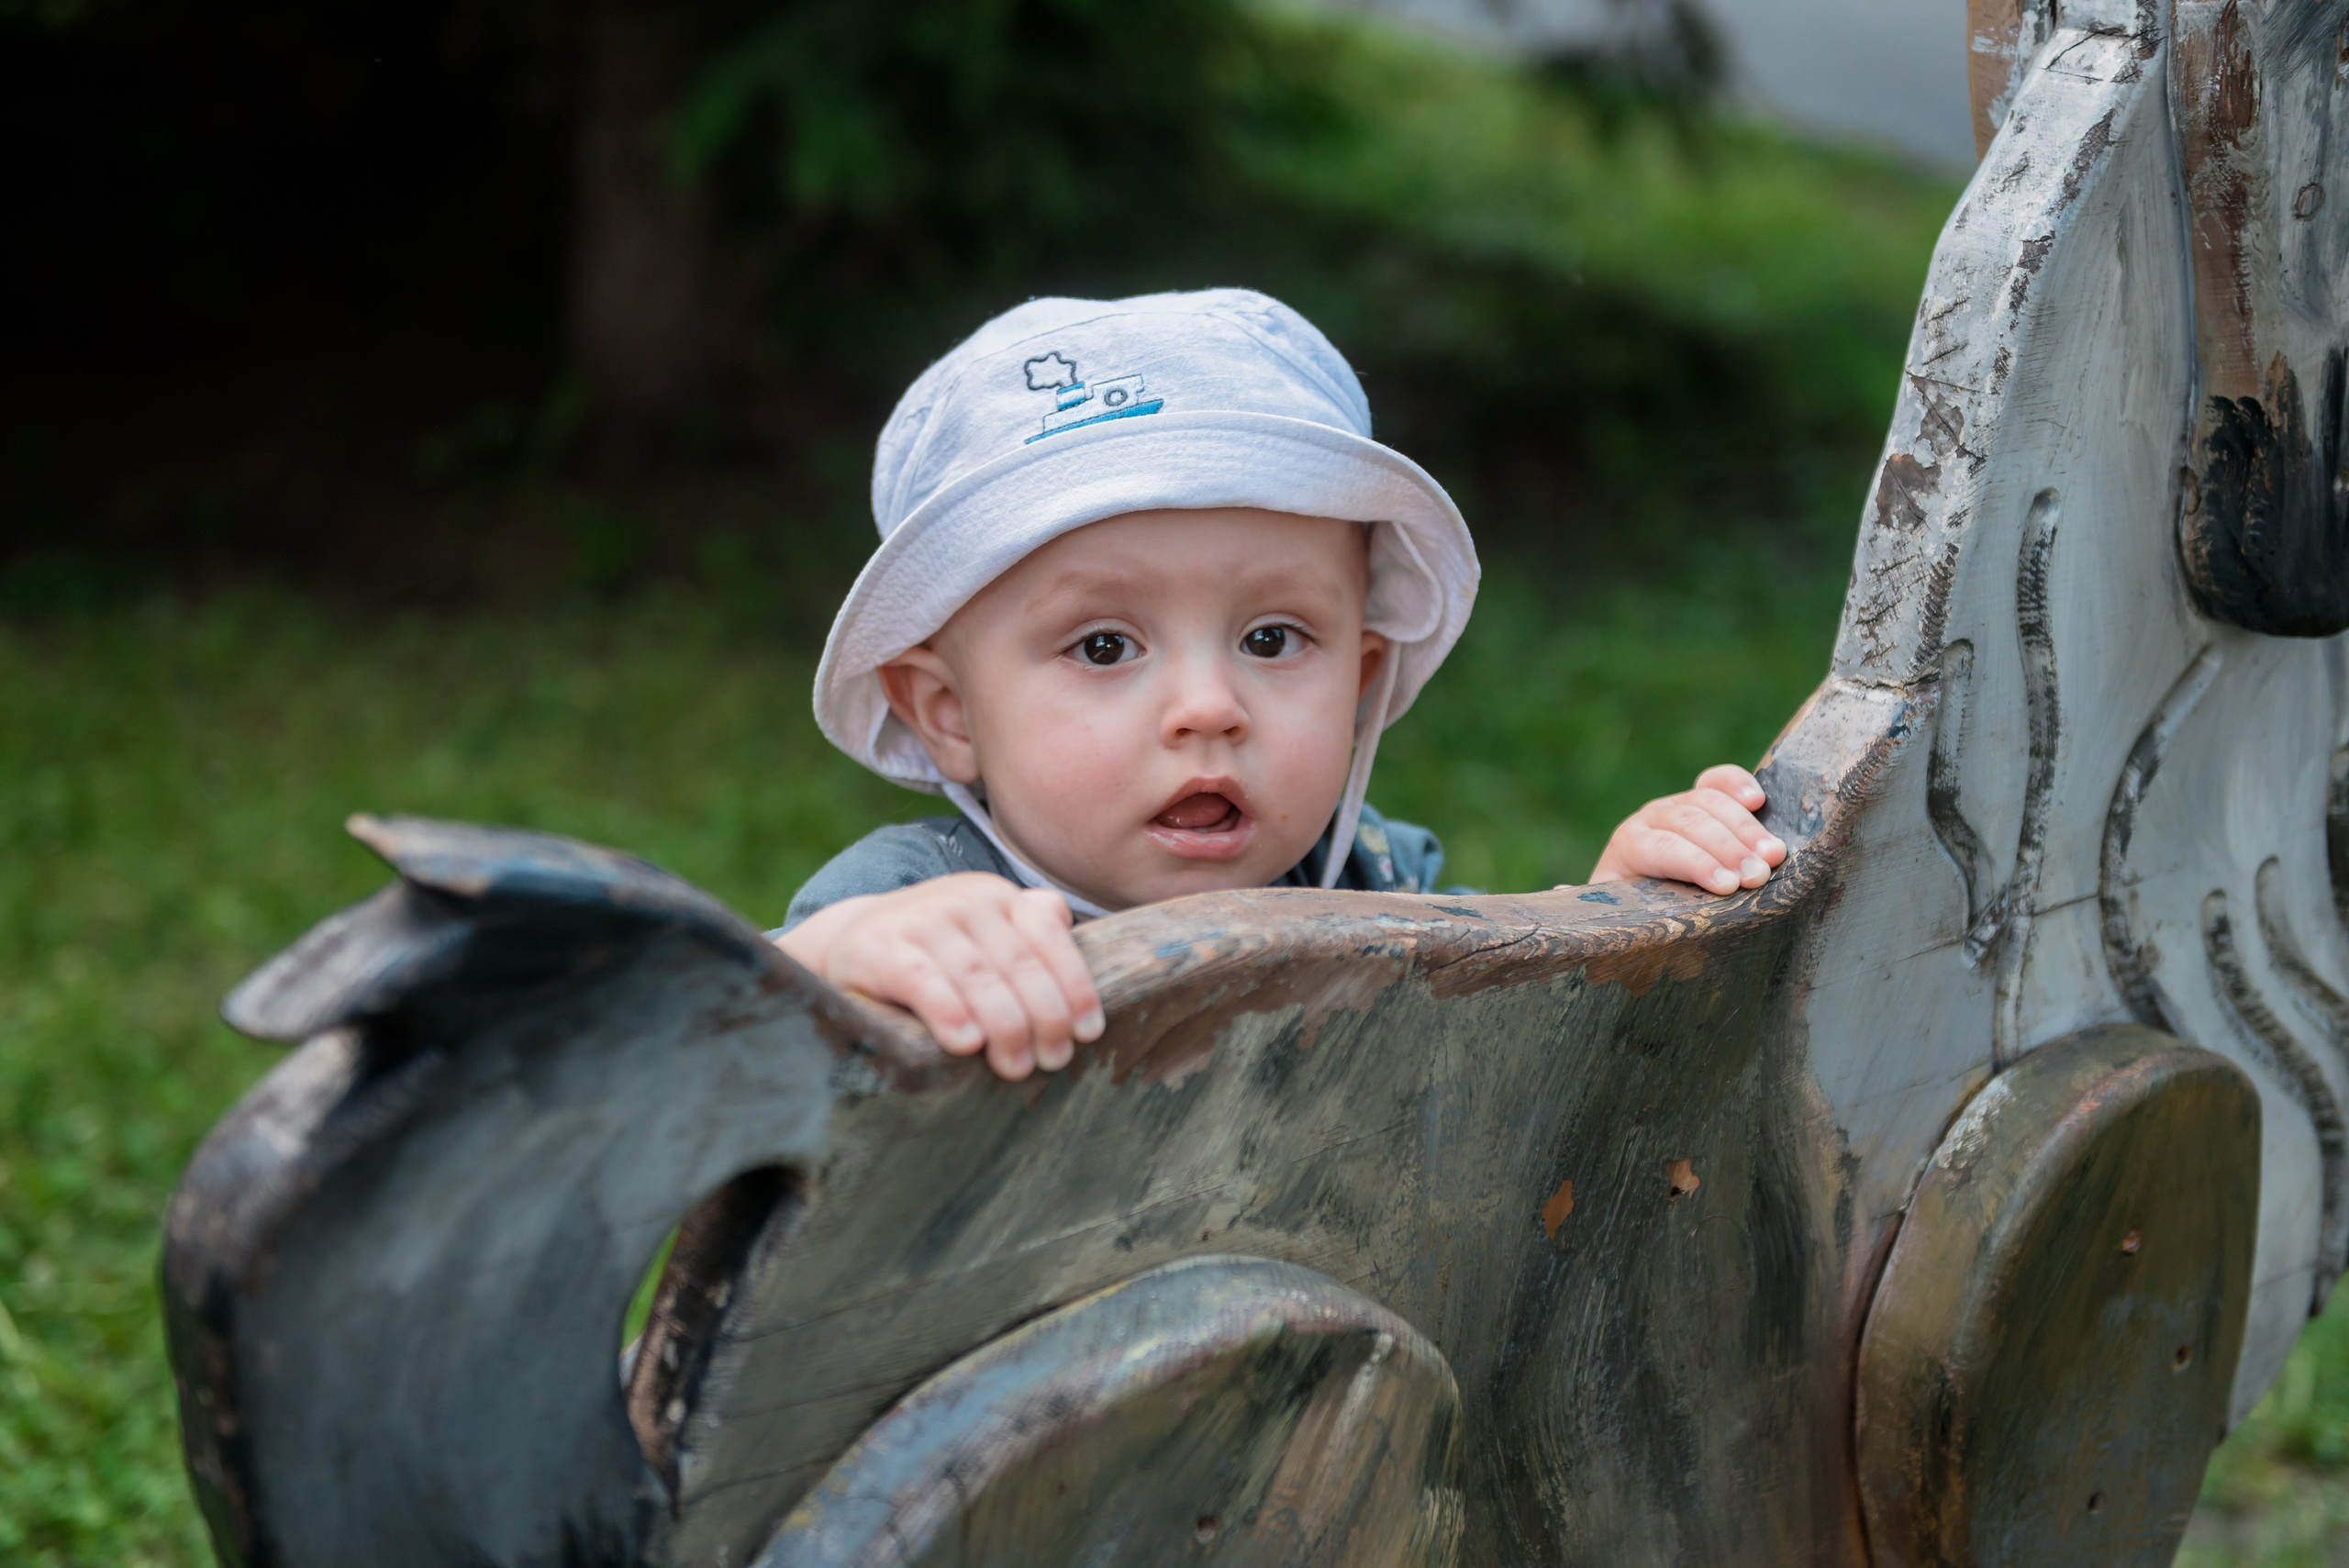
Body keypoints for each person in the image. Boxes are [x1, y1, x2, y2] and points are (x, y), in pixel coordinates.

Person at [776, 289, 1785, 1080]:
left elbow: (1514, 1068)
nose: (1208, 707)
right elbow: (707, 1057)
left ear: (1360, 680)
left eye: (1271, 636)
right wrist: (831, 963)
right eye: (1102, 647)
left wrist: (1601, 922)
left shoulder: (1370, 886)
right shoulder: (919, 906)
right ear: (948, 713)